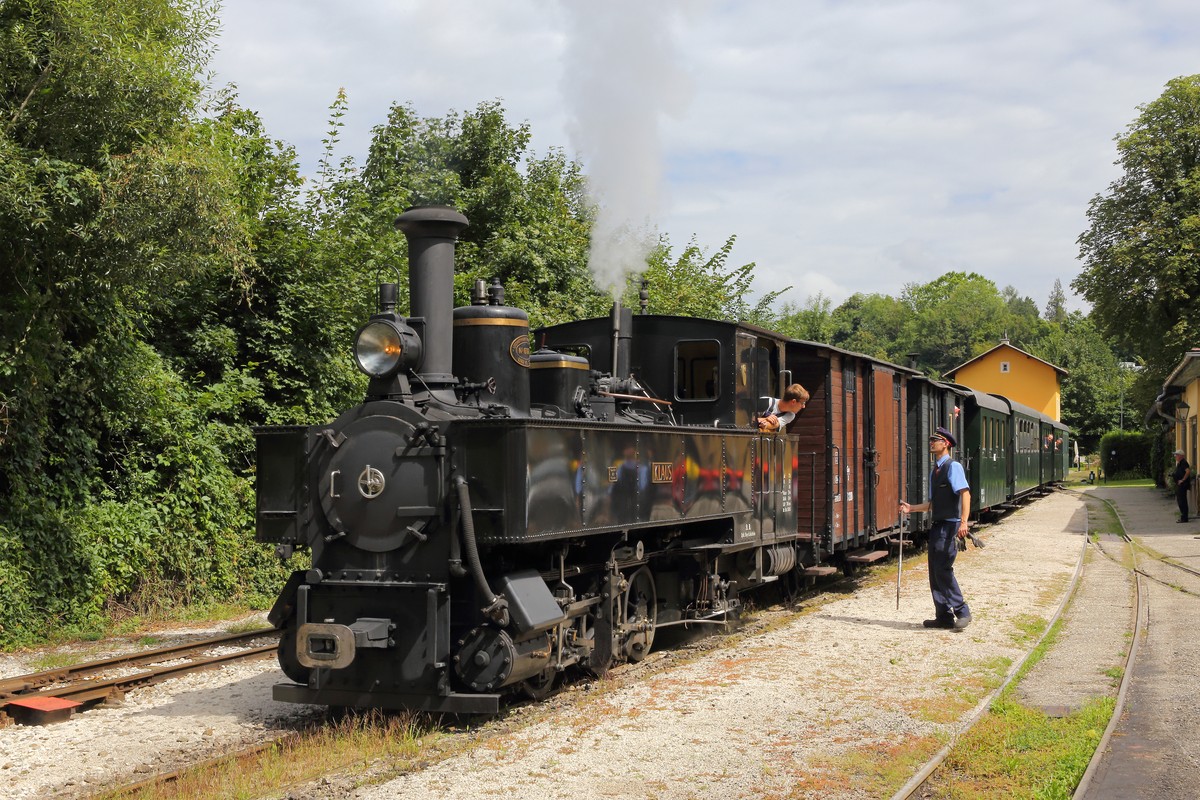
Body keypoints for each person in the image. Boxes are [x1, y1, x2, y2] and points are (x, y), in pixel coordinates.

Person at [899, 426, 972, 630]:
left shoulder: (953, 466)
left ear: (946, 444)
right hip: (938, 526)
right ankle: (943, 616)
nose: (931, 442)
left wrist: (964, 522)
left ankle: (962, 611)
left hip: (950, 526)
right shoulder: (936, 471)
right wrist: (911, 508)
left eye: (935, 439)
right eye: (931, 439)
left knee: (943, 569)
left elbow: (965, 494)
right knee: (934, 571)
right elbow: (932, 504)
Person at [1172, 449, 1192, 523]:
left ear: (1180, 456)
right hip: (1179, 484)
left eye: (1176, 455)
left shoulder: (1184, 462)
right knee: (1180, 501)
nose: (1175, 456)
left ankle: (1184, 518)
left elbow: (1188, 471)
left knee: (1182, 501)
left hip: (1182, 485)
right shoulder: (1179, 463)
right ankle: (1183, 517)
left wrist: (1182, 480)